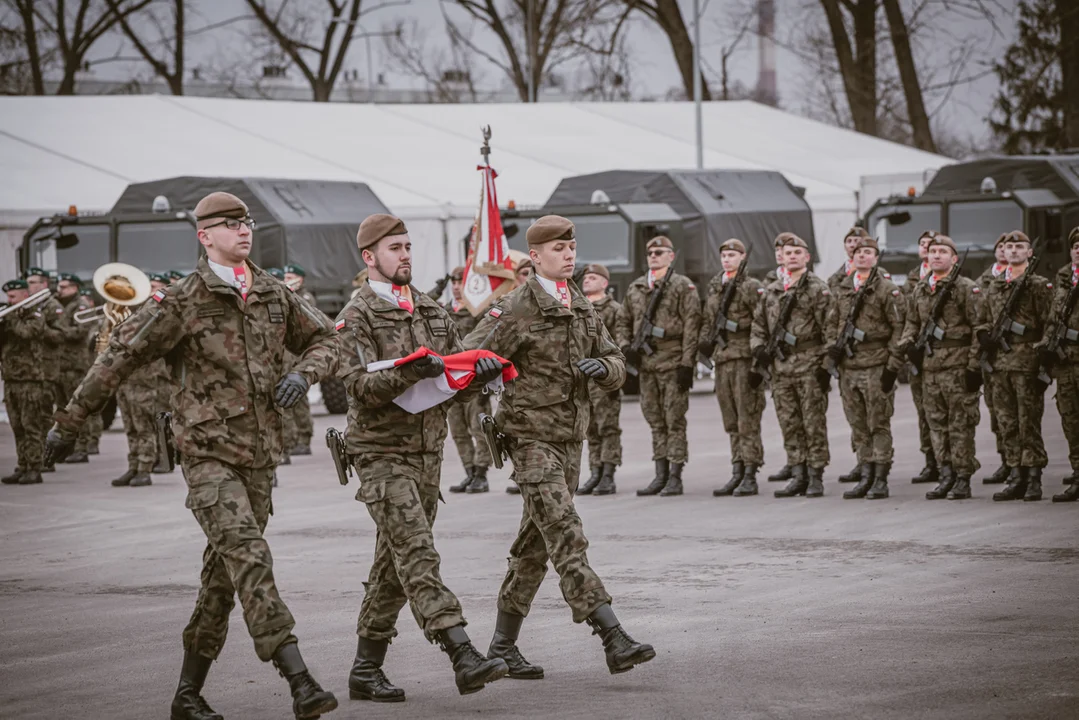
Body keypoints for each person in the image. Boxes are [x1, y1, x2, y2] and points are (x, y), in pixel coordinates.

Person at [44, 192, 339, 720]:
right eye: (230, 224)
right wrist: (69, 422)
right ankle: (299, 678)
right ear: (204, 236)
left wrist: (303, 373)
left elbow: (325, 339)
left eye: (246, 222)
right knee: (250, 557)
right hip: (207, 456)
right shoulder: (180, 301)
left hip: (260, 457)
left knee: (223, 580)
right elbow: (120, 357)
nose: (243, 230)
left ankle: (186, 695)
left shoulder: (273, 292)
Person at [319, 214, 509, 701]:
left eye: (407, 246)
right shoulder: (356, 315)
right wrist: (407, 373)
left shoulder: (429, 310)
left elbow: (450, 383)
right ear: (370, 258)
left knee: (395, 562)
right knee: (417, 552)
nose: (405, 255)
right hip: (379, 454)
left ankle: (365, 669)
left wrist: (477, 376)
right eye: (394, 248)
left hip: (427, 454)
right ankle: (462, 652)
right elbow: (358, 386)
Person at [461, 214, 654, 679]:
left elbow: (616, 361)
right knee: (566, 531)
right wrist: (486, 369)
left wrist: (602, 370)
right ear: (536, 256)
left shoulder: (581, 305)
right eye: (559, 249)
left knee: (534, 547)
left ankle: (503, 646)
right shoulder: (516, 307)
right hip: (529, 441)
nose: (569, 255)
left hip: (571, 441)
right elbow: (468, 355)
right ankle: (611, 634)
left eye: (572, 248)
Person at [616, 235, 701, 497]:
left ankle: (675, 476)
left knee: (674, 420)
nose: (653, 255)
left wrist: (688, 364)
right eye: (650, 252)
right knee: (654, 419)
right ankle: (660, 474)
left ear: (671, 256)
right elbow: (622, 321)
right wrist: (625, 346)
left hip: (673, 361)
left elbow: (691, 326)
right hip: (647, 364)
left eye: (660, 252)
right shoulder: (637, 287)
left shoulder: (682, 286)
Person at [900, 234, 982, 501]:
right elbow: (911, 323)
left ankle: (962, 478)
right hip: (930, 369)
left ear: (954, 258)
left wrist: (973, 367)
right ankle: (945, 474)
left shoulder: (966, 288)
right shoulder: (920, 288)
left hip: (957, 368)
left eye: (942, 252)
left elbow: (978, 329)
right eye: (932, 251)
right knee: (936, 425)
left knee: (960, 425)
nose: (936, 255)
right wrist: (908, 345)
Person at [752, 233, 833, 497]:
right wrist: (759, 350)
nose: (792, 257)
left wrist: (825, 366)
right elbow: (759, 325)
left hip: (809, 365)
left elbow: (830, 329)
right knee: (789, 423)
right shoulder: (773, 291)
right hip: (781, 369)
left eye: (797, 253)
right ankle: (798, 473)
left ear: (807, 257)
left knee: (813, 422)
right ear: (782, 258)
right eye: (788, 253)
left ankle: (816, 475)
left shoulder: (817, 289)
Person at [825, 237, 905, 500]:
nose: (862, 256)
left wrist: (892, 367)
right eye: (858, 252)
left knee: (878, 423)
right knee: (858, 425)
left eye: (868, 252)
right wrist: (832, 349)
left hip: (876, 365)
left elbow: (899, 330)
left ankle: (880, 477)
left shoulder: (887, 289)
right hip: (849, 367)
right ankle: (866, 472)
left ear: (876, 257)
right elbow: (831, 324)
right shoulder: (843, 289)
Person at [977, 231, 1053, 501]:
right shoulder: (995, 285)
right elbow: (984, 319)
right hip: (999, 366)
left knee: (1028, 422)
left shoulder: (1038, 285)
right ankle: (1015, 474)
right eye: (1009, 247)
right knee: (1007, 423)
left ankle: (1033, 477)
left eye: (1020, 246)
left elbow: (1049, 324)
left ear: (1029, 253)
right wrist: (983, 335)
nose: (1013, 251)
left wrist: (1044, 363)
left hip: (1026, 363)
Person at [698, 239, 766, 497]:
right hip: (723, 359)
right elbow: (708, 320)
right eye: (724, 255)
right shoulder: (716, 286)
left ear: (743, 257)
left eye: (732, 255)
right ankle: (737, 469)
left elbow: (762, 323)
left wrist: (757, 365)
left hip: (744, 358)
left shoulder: (751, 286)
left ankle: (750, 471)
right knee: (731, 419)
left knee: (747, 418)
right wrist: (704, 343)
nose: (727, 259)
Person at [111, 272, 172, 488]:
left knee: (144, 425)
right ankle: (134, 465)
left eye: (156, 286)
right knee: (130, 425)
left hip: (146, 378)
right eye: (150, 286)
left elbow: (148, 341)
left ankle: (145, 468)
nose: (152, 290)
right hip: (125, 377)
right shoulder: (137, 310)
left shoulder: (165, 312)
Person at [444, 266, 495, 495]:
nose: (455, 287)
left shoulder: (479, 313)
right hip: (449, 379)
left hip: (474, 380)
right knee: (458, 429)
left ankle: (482, 473)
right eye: (453, 283)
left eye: (460, 282)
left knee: (479, 428)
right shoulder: (444, 312)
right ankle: (470, 471)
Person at [829, 227, 872, 484]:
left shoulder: (879, 279)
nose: (853, 245)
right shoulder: (838, 279)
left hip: (871, 357)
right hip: (847, 358)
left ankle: (875, 468)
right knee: (855, 416)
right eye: (849, 241)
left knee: (873, 417)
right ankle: (862, 461)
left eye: (859, 242)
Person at [577, 263, 623, 496]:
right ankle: (594, 471)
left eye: (593, 278)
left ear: (604, 283)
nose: (588, 281)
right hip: (584, 378)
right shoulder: (579, 309)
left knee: (608, 427)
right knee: (590, 428)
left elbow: (620, 344)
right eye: (586, 277)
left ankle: (608, 473)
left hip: (604, 375)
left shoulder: (614, 309)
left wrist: (616, 377)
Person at [1, 279, 50, 485]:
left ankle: (35, 467)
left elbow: (26, 333)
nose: (9, 300)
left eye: (13, 297)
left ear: (24, 296)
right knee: (17, 426)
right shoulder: (10, 317)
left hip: (30, 380)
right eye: (8, 297)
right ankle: (22, 465)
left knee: (32, 426)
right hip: (11, 379)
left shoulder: (35, 315)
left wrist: (10, 316)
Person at [1044, 227, 1079, 502]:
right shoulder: (1063, 278)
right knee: (1071, 422)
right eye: (1075, 246)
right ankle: (1078, 476)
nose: (1078, 249)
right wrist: (1047, 348)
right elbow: (1052, 320)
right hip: (1067, 364)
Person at [976, 236, 1011, 485]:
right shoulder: (983, 281)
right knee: (997, 413)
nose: (1004, 251)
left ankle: (1022, 465)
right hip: (992, 357)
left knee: (1020, 415)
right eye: (1000, 247)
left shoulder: (1024, 281)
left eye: (1008, 247)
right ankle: (1006, 460)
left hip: (1018, 357)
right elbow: (978, 314)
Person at [904, 232, 938, 485]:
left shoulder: (956, 280)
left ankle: (950, 465)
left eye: (933, 246)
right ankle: (931, 461)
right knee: (923, 412)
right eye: (923, 245)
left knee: (948, 415)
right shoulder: (912, 279)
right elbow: (907, 316)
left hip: (946, 357)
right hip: (919, 356)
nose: (927, 249)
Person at [24, 267, 64, 471]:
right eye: (28, 282)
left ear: (43, 284)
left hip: (47, 369)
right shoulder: (27, 306)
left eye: (32, 282)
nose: (29, 286)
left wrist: (38, 326)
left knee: (44, 415)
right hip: (28, 370)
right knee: (27, 419)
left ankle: (46, 459)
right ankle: (29, 460)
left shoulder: (51, 306)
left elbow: (60, 335)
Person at [53, 272, 96, 462]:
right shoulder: (57, 304)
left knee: (78, 409)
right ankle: (66, 445)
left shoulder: (82, 306)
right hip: (58, 365)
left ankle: (82, 447)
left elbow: (79, 332)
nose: (59, 290)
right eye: (59, 286)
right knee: (62, 410)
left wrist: (56, 332)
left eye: (63, 287)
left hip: (75, 365)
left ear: (74, 288)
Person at [763, 236, 794, 482]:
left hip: (804, 361)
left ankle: (810, 470)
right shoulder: (770, 286)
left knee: (809, 420)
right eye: (778, 250)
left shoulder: (809, 285)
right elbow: (759, 322)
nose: (781, 254)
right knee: (787, 417)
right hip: (780, 364)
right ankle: (793, 462)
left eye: (785, 250)